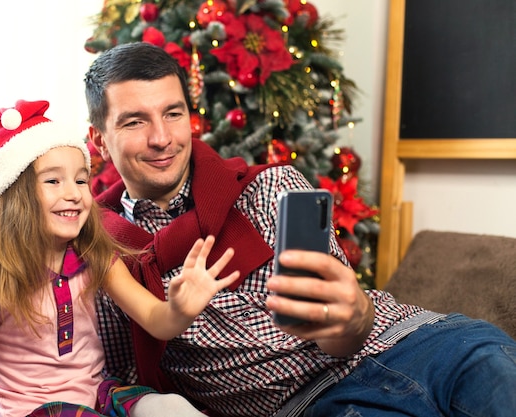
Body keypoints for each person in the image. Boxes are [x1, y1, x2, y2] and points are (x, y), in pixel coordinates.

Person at [83, 41, 516, 417]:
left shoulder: (273, 187)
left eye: (172, 113)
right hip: (315, 404)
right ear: (99, 140)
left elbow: (344, 332)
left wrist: (355, 317)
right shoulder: (100, 249)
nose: (162, 138)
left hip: (423, 343)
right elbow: (114, 379)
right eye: (135, 121)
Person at [0, 99, 239, 417]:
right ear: (14, 196)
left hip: (98, 399)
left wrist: (178, 309)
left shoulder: (95, 257)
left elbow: (156, 320)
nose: (74, 193)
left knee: (171, 406)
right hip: (35, 411)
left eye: (81, 179)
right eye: (54, 181)